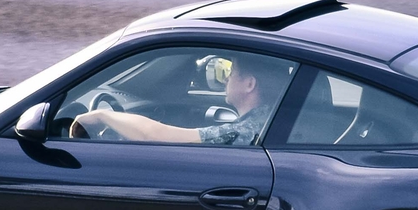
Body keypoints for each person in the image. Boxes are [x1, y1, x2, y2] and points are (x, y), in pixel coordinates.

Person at [69, 55, 282, 145]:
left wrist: (103, 116)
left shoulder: (245, 131)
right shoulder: (270, 119)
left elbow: (154, 136)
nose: (226, 77)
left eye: (232, 71)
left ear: (249, 84)